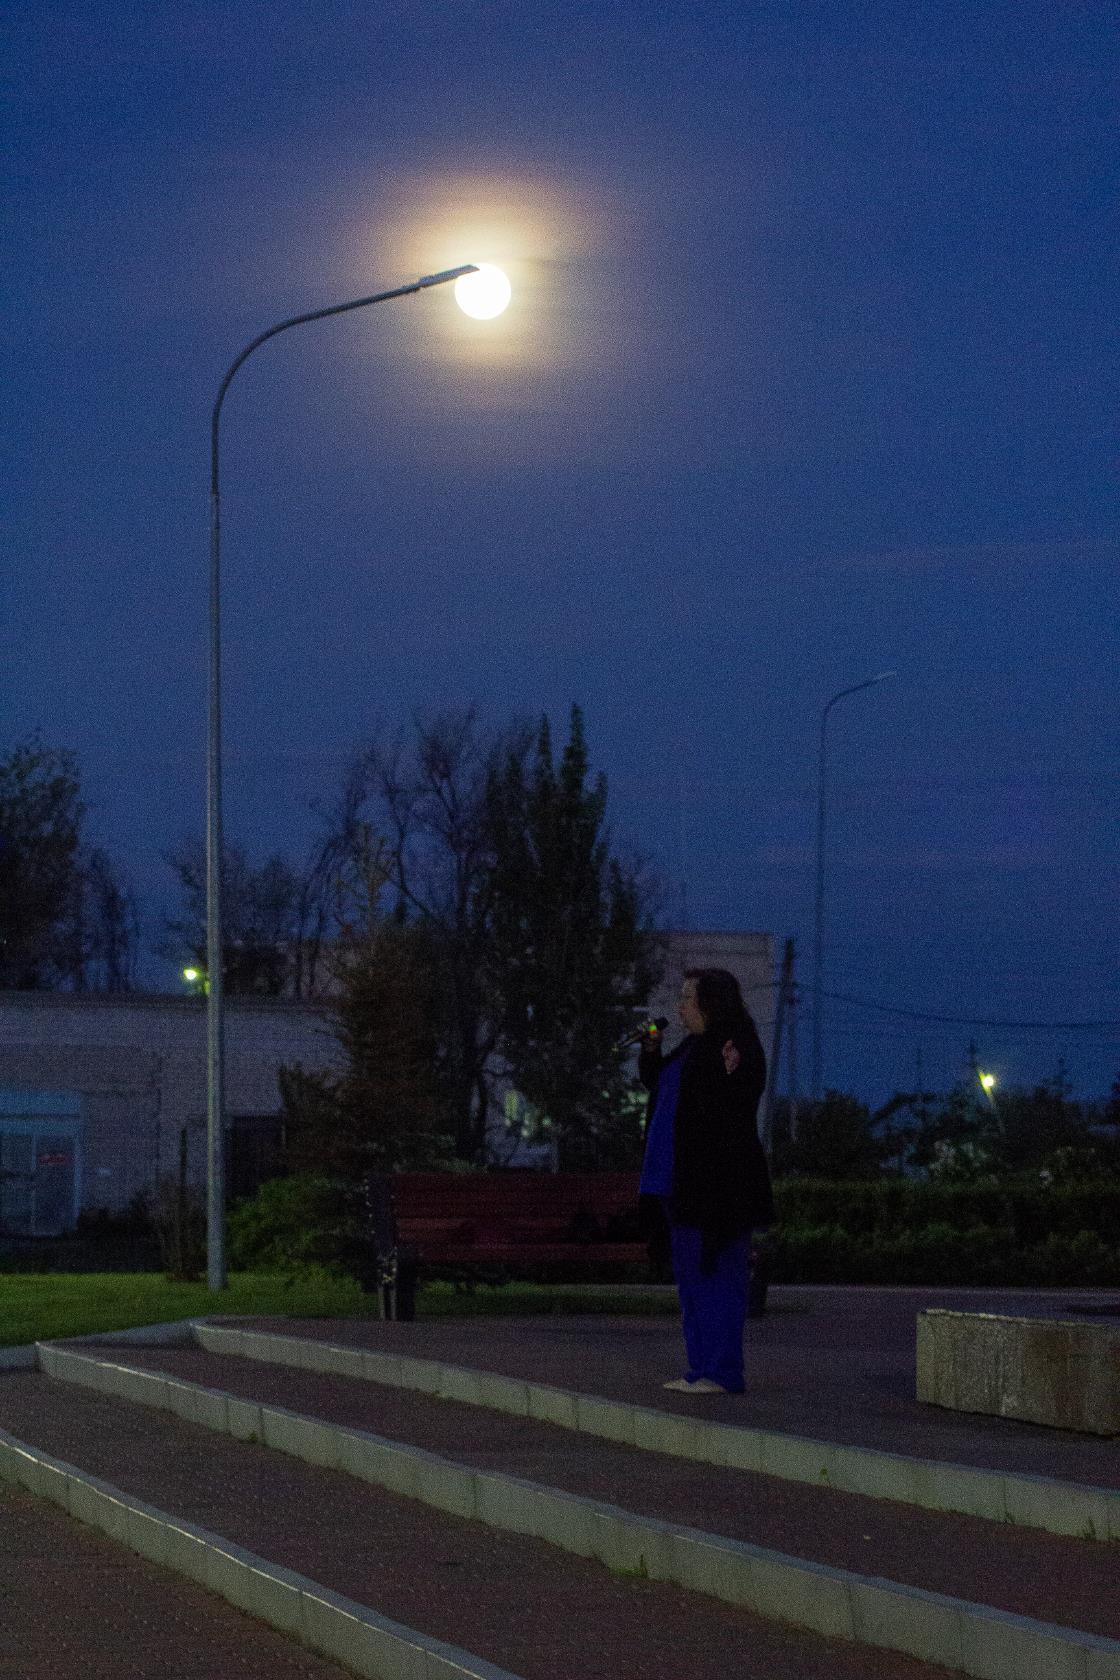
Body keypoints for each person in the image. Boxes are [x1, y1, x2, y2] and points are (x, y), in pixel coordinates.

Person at [638, 967, 773, 1394]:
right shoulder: (691, 1047)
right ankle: (700, 1367)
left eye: (687, 998)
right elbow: (658, 1084)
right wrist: (651, 1048)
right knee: (692, 1280)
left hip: (715, 1187)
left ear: (710, 1003)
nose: (679, 1007)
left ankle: (722, 1371)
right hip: (675, 1184)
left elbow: (733, 1103)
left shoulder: (733, 1044)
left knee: (719, 1278)